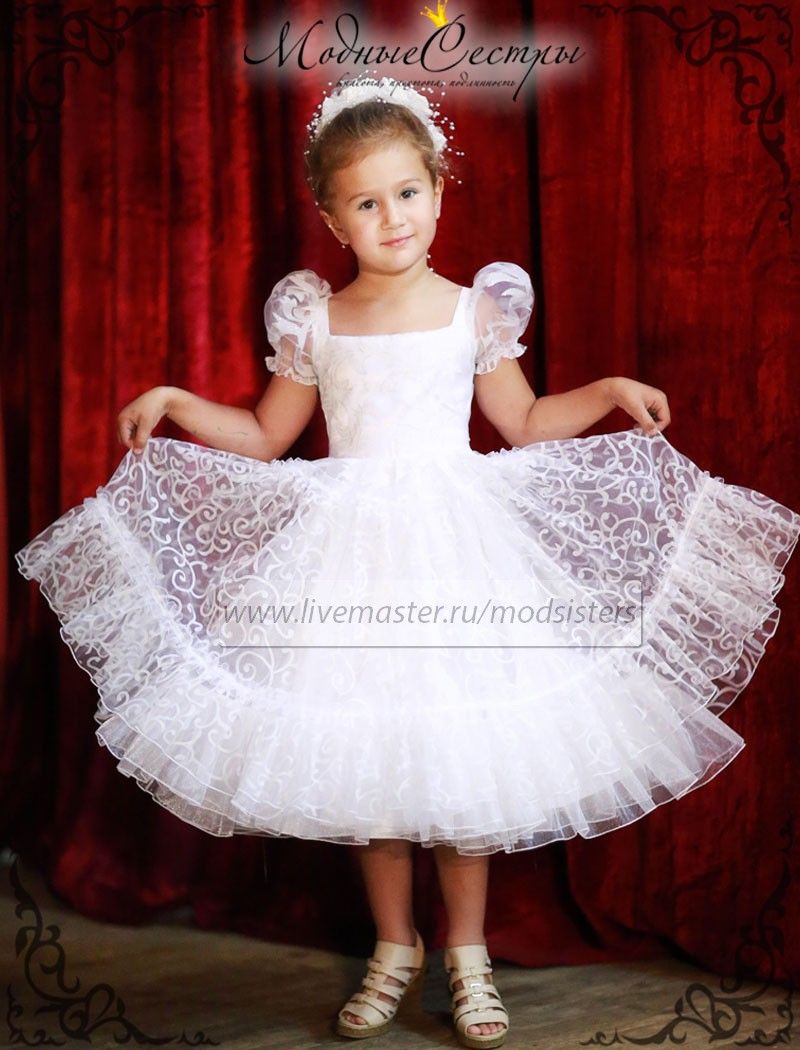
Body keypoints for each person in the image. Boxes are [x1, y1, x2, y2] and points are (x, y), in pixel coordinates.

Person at [15, 73, 800, 1050]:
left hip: (457, 554)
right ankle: (395, 945)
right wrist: (176, 400)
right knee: (371, 764)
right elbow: (266, 435)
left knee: (460, 758)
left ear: (437, 189)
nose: (391, 217)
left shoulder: (474, 311)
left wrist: (603, 389)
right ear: (330, 218)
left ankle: (465, 952)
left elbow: (521, 421)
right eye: (365, 202)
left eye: (406, 192)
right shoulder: (316, 320)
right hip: (346, 563)